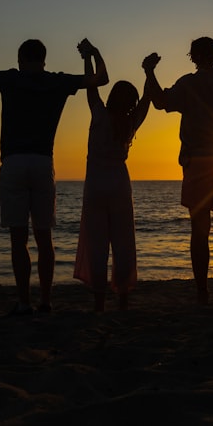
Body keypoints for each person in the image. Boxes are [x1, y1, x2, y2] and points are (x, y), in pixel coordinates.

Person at [0, 13, 107, 314]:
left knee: (19, 239)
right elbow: (101, 79)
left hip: (14, 162)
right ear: (43, 59)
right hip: (43, 162)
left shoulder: (11, 78)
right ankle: (45, 300)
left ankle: (24, 301)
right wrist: (92, 53)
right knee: (44, 237)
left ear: (20, 58)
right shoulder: (56, 82)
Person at [143, 0, 213, 305]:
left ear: (193, 57)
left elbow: (160, 101)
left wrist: (149, 71)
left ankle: (203, 292)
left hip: (197, 163)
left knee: (199, 231)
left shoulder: (188, 83)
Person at [72, 41, 150, 311]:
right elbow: (148, 100)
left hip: (95, 185)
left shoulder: (99, 115)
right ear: (131, 103)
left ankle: (99, 302)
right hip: (119, 185)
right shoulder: (129, 123)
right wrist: (149, 71)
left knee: (97, 244)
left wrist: (90, 55)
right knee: (123, 241)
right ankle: (124, 297)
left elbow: (91, 85)